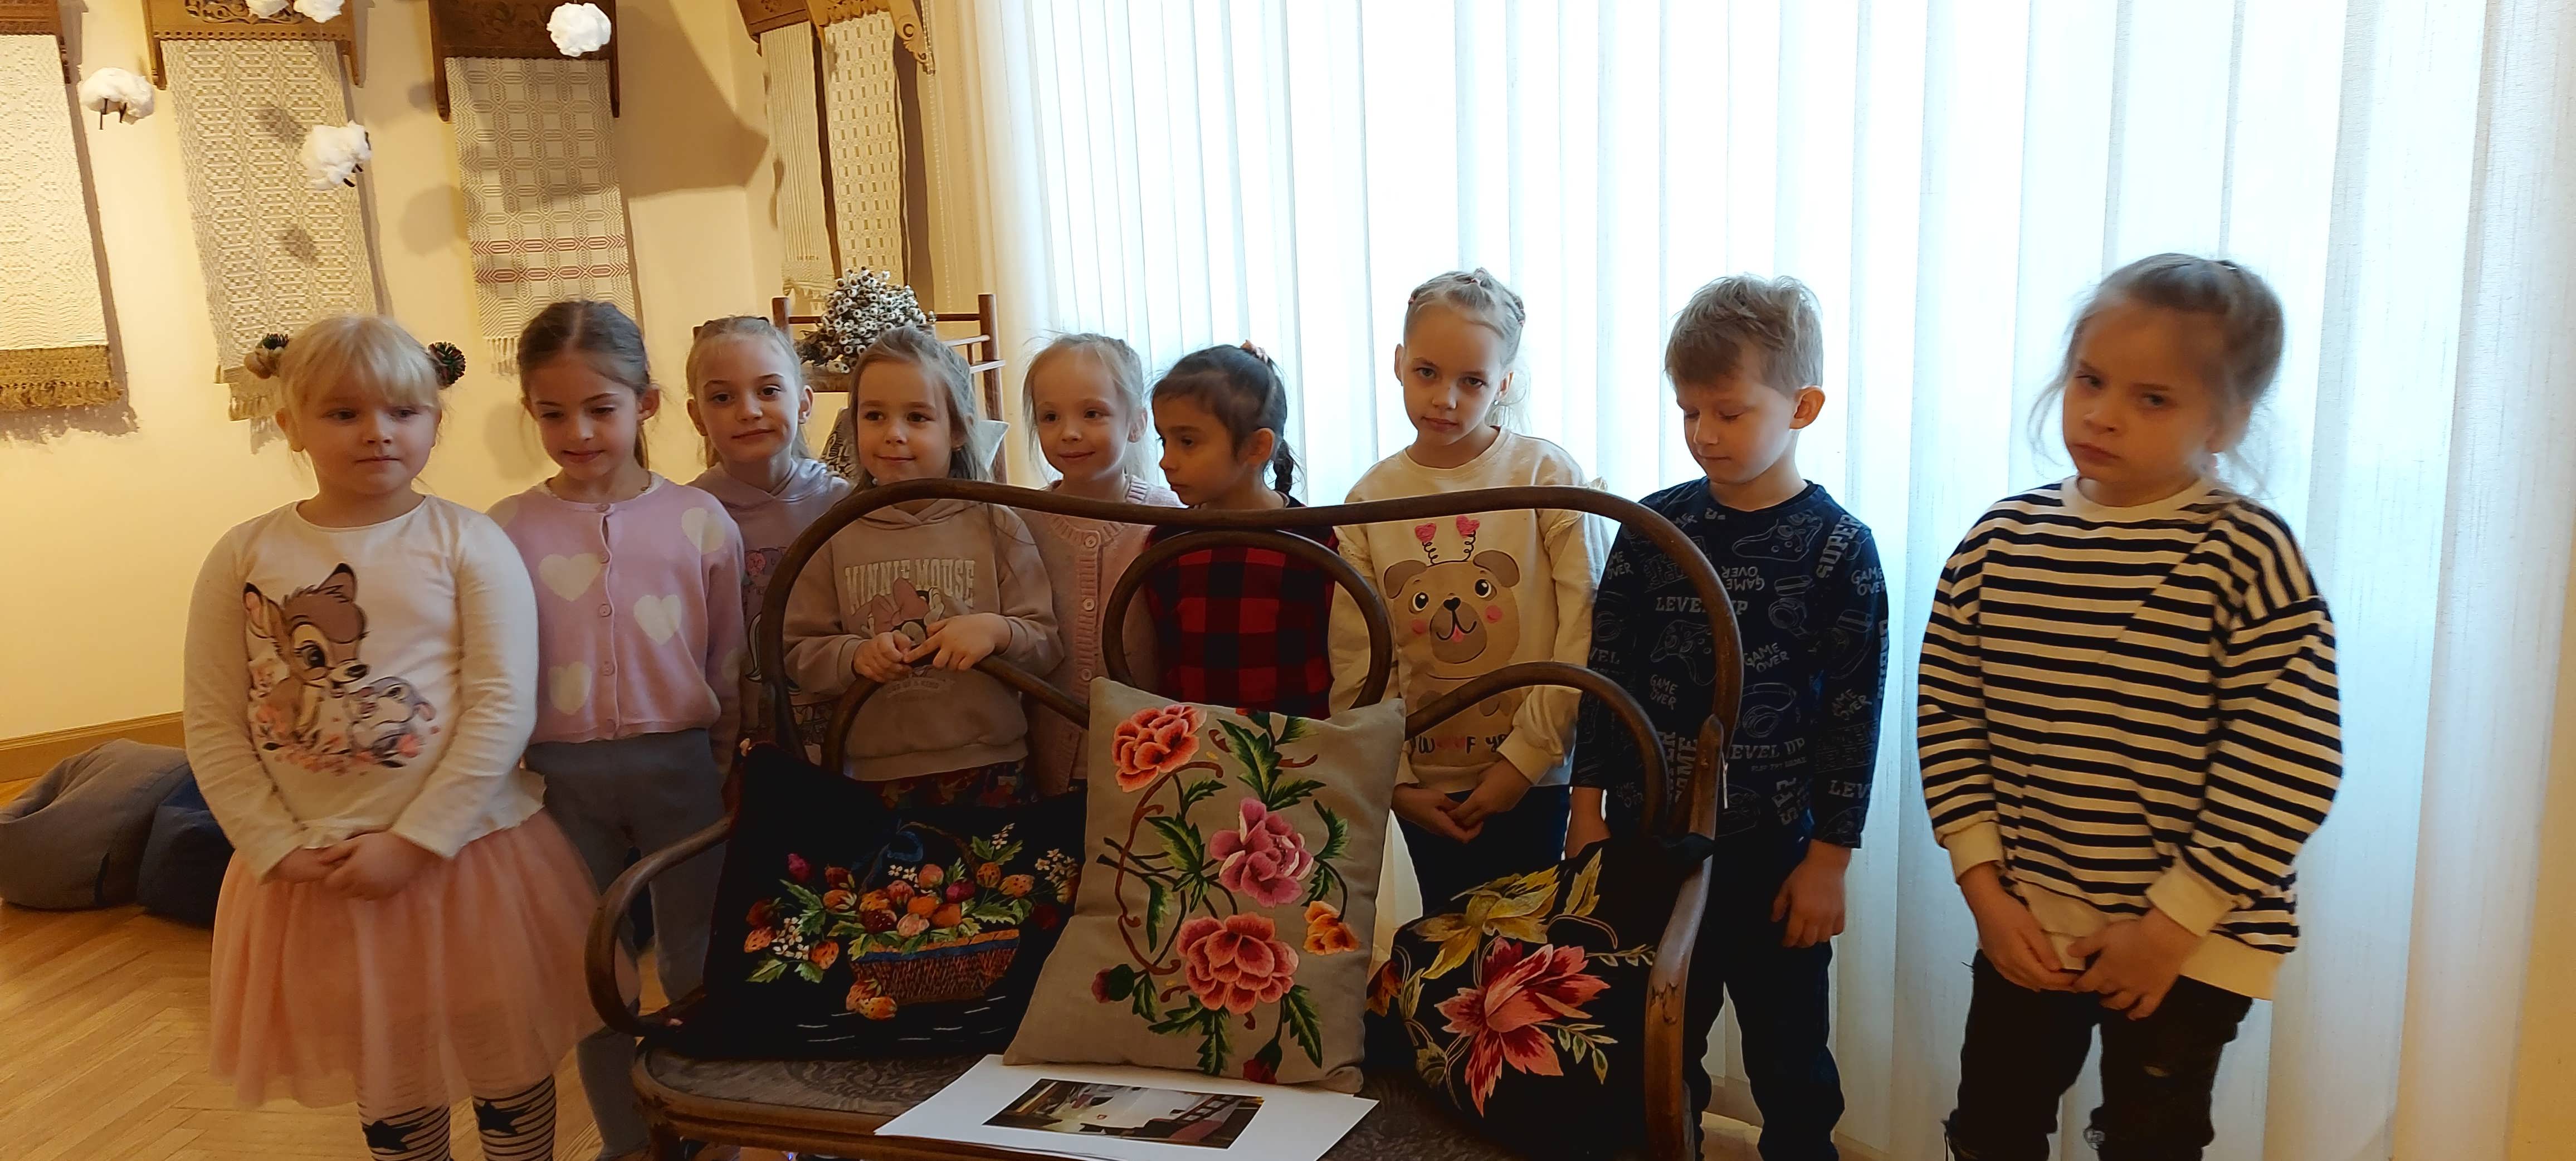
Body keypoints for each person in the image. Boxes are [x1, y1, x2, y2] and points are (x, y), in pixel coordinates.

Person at [1920, 254, 2341, 1161]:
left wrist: (2167, 927)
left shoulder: (2246, 555)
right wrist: (1982, 889)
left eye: (2152, 398)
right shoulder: (1998, 541)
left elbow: (2289, 761)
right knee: (1992, 1125)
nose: (2103, 413)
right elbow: (1949, 720)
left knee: (2150, 1139)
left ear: (2224, 420)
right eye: (2089, 379)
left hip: (2189, 940)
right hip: (2027, 919)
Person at [184, 316, 597, 1161]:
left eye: (402, 412)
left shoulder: (468, 541)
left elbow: (501, 705)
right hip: (319, 872)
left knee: (502, 1052)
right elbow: (212, 718)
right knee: (388, 1054)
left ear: (434, 422)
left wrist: (417, 841)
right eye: (344, 413)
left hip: (467, 857)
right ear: (290, 424)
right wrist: (271, 842)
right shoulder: (244, 555)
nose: (377, 432)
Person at [1573, 275, 1887, 1160]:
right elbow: (1607, 674)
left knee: (1791, 1060)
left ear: (1803, 407)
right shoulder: (1653, 527)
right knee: (1651, 1049)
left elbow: (1854, 712)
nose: (1705, 433)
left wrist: (1830, 861)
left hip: (1776, 852)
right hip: (1650, 836)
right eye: (1689, 412)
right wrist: (1587, 810)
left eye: (1730, 411)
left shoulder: (1841, 549)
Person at [492, 299, 745, 1161]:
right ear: (529, 411)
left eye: (600, 408)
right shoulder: (506, 531)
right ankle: (629, 1144)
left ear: (646, 404)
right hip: (558, 784)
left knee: (696, 962)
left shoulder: (700, 521)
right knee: (593, 971)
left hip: (683, 771)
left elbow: (728, 657)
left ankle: (710, 1131)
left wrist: (724, 763)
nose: (578, 432)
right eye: (553, 412)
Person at [1331, 269, 1602, 909]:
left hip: (1534, 776)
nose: (1445, 398)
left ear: (1503, 383)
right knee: (1442, 942)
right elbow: (1357, 655)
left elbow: (1585, 624)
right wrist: (1395, 780)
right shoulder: (1369, 499)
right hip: (1424, 784)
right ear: (1398, 362)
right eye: (1426, 372)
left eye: (1472, 381)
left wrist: (1525, 759)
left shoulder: (1546, 474)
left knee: (1529, 946)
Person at [780, 326, 1060, 807]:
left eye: (917, 417)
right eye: (874, 416)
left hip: (993, 766)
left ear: (958, 431)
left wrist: (996, 631)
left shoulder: (998, 525)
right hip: (872, 775)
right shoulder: (831, 534)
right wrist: (854, 656)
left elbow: (1045, 643)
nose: (894, 433)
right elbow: (799, 650)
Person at [1018, 333, 1180, 793]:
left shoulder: (1169, 518)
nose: (1069, 432)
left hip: (1148, 752)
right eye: (1050, 417)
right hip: (1044, 753)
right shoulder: (1021, 521)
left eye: (1093, 414)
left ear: (1137, 423)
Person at [684, 315, 851, 757]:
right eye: (723, 397)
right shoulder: (685, 517)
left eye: (769, 390)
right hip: (740, 741)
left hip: (845, 731)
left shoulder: (843, 505)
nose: (749, 411)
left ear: (805, 403)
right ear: (697, 417)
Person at [1140, 343, 1336, 718]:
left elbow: (1341, 653)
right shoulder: (1166, 542)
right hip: (1195, 741)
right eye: (1165, 441)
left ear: (1256, 447)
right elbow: (1160, 657)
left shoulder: (1317, 539)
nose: (1166, 461)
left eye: (1187, 442)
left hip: (1297, 740)